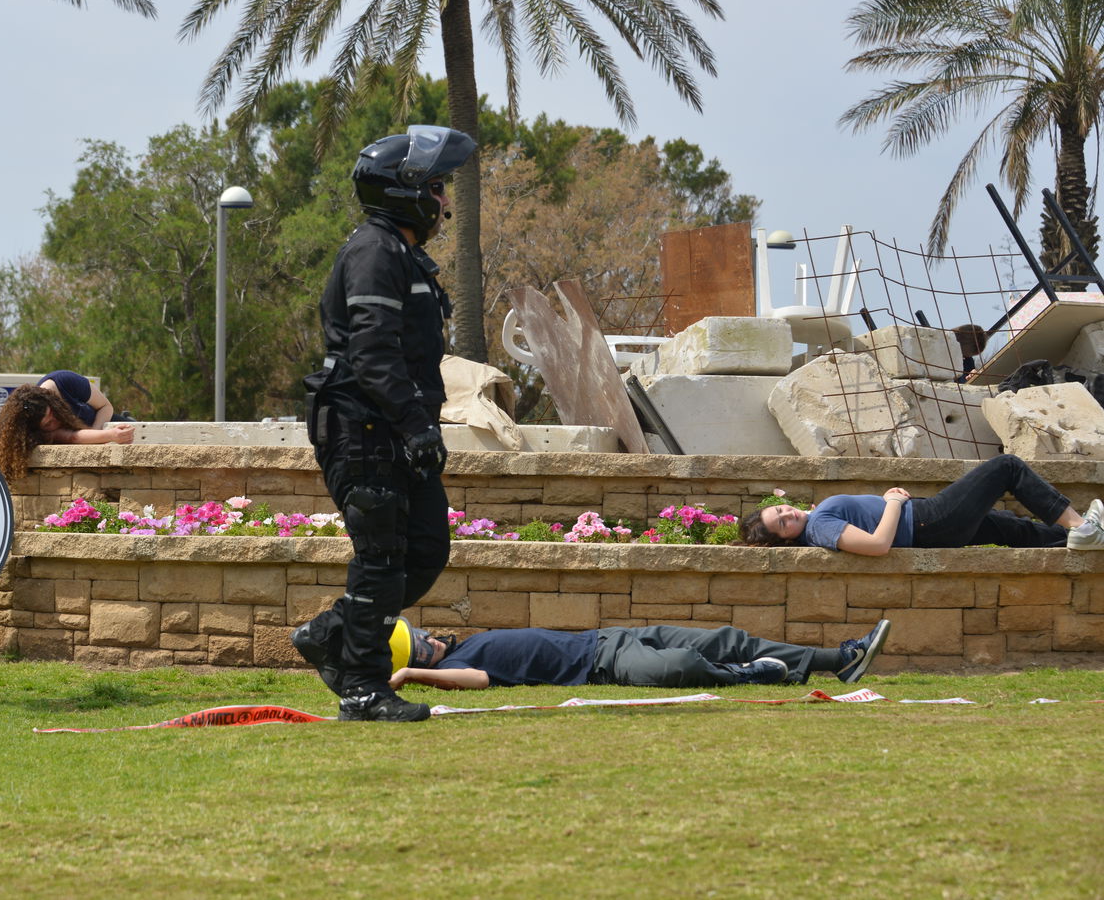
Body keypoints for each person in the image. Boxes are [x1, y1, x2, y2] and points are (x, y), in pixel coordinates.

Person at [291, 124, 477, 722]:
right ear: (407, 190)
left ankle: (330, 635)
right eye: (438, 185)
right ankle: (364, 688)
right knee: (380, 561)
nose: (445, 199)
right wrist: (415, 426)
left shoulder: (402, 253)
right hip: (363, 430)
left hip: (392, 429)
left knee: (425, 551)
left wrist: (420, 427)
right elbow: (372, 354)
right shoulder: (373, 251)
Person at [739, 453, 1104, 555]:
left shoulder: (814, 520)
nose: (788, 513)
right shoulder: (819, 528)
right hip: (928, 522)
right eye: (782, 523)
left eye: (781, 509)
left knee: (1016, 529)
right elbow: (878, 546)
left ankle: (1088, 543)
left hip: (929, 524)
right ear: (786, 539)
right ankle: (1080, 528)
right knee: (1005, 467)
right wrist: (893, 502)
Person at [385, 618, 892, 691]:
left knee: (724, 636)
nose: (429, 636)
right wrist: (409, 674)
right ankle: (751, 676)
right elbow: (478, 684)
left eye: (421, 633)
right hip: (603, 667)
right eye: (419, 643)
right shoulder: (454, 667)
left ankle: (839, 658)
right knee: (677, 669)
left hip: (610, 637)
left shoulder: (465, 643)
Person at [0, 379, 134, 482]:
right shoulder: (41, 433)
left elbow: (106, 406)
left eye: (53, 412)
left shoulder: (64, 381)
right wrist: (106, 436)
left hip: (112, 422)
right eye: (49, 423)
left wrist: (97, 432)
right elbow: (74, 437)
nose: (55, 420)